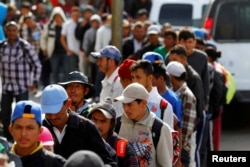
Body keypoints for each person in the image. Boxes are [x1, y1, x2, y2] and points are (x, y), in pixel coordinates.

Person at [40, 84, 117, 166]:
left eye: (56, 111)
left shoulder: (87, 127)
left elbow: (108, 162)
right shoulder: (40, 129)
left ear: (68, 104)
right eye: (48, 112)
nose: (52, 116)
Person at [0, 21, 42, 141]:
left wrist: (34, 81)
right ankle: (9, 139)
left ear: (17, 31)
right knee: (5, 114)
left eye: (14, 30)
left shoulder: (25, 46)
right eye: (9, 30)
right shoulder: (2, 46)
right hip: (6, 87)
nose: (11, 32)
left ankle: (22, 138)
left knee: (23, 115)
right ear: (6, 31)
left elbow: (37, 65)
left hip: (21, 87)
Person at [114, 83, 173, 167]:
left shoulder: (160, 128)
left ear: (143, 103)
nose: (125, 109)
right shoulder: (116, 123)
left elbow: (166, 164)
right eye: (123, 104)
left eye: (129, 104)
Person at [8, 100, 66, 167]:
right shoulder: (3, 160)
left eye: (30, 128)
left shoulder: (55, 164)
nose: (23, 134)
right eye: (18, 127)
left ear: (40, 131)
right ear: (11, 129)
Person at [88, 98, 139, 167]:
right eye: (94, 119)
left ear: (112, 124)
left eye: (103, 121)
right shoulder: (82, 140)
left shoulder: (122, 145)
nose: (97, 125)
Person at [166, 61, 197, 167]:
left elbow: (187, 128)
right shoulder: (173, 92)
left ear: (171, 77)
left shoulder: (187, 96)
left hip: (182, 148)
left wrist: (178, 151)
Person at [130, 59, 175, 128]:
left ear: (149, 78)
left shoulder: (164, 107)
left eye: (138, 77)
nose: (134, 81)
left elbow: (168, 137)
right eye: (133, 77)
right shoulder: (128, 102)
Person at [92, 45, 124, 116]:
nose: (98, 63)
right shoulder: (107, 80)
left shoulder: (119, 82)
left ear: (111, 62)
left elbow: (117, 113)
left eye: (101, 60)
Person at [40, 6, 68, 84]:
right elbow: (43, 38)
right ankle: (56, 87)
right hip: (53, 53)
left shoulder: (66, 25)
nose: (58, 18)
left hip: (65, 52)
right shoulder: (49, 26)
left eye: (59, 16)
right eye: (56, 16)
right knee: (55, 71)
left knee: (66, 71)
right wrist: (44, 48)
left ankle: (64, 87)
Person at [60, 6, 80, 74]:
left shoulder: (81, 23)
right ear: (71, 14)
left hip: (81, 53)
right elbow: (62, 38)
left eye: (77, 15)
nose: (76, 16)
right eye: (74, 15)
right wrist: (67, 50)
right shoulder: (67, 24)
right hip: (71, 52)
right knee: (72, 73)